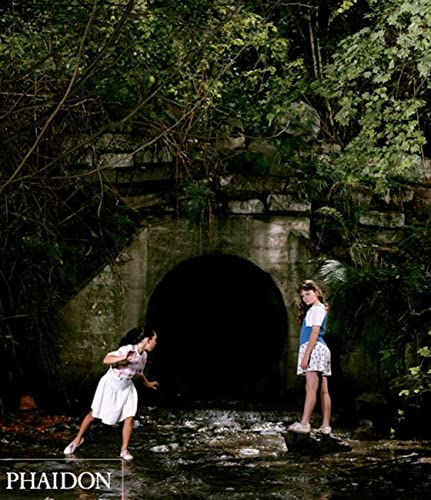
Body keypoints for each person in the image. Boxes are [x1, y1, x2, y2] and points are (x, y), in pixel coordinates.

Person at [63, 326, 159, 460]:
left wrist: (148, 383)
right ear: (148, 340)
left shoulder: (143, 356)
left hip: (126, 388)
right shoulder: (128, 349)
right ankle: (77, 439)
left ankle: (124, 450)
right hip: (110, 384)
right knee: (94, 414)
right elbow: (106, 360)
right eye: (155, 340)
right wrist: (123, 357)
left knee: (129, 417)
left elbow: (138, 372)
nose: (156, 343)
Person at [288, 279, 332, 434]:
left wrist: (306, 357)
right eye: (303, 296)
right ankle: (325, 426)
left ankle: (305, 423)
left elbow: (314, 332)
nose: (305, 298)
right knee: (323, 390)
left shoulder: (316, 309)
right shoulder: (318, 309)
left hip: (314, 349)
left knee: (311, 388)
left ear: (316, 293)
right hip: (320, 349)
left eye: (308, 294)